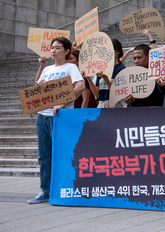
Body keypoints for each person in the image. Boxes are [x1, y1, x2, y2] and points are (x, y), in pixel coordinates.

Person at [29, 37, 85, 204]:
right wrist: (41, 82)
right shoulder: (47, 69)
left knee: (63, 153)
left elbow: (80, 86)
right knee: (43, 155)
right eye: (52, 48)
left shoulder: (71, 67)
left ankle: (67, 188)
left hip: (60, 116)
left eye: (58, 48)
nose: (53, 50)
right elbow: (37, 87)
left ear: (67, 51)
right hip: (42, 116)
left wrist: (63, 103)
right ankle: (46, 190)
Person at [84, 39, 126, 106]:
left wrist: (105, 78)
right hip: (101, 104)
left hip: (115, 105)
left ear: (118, 51)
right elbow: (97, 95)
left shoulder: (121, 69)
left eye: (111, 49)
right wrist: (89, 79)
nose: (108, 52)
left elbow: (116, 93)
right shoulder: (101, 68)